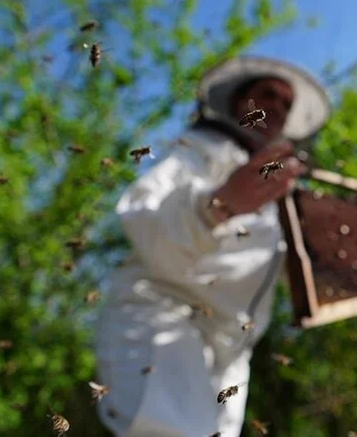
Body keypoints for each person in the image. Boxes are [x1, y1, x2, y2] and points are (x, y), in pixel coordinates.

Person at [93, 56, 332, 436]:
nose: (277, 108)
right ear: (240, 103)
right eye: (267, 95)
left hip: (232, 356)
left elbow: (296, 275)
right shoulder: (199, 148)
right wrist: (218, 205)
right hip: (164, 318)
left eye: (287, 104)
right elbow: (142, 217)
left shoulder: (283, 189)